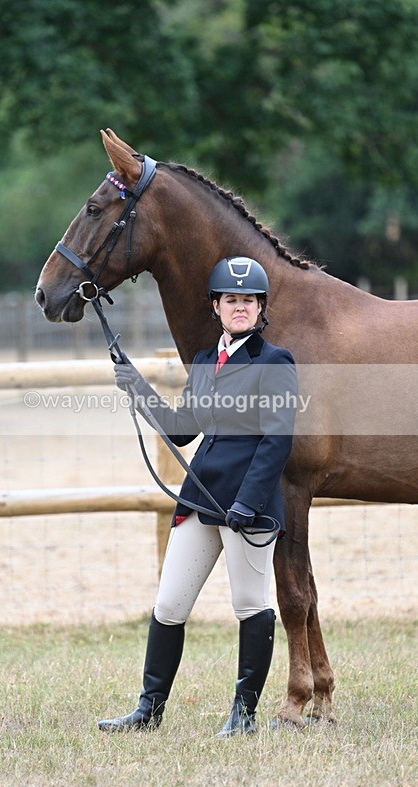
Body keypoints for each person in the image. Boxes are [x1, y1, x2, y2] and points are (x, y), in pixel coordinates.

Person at [97, 256, 297, 737]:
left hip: (247, 507)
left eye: (248, 300)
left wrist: (248, 504)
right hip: (202, 500)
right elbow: (183, 430)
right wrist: (136, 386)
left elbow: (277, 442)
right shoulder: (206, 361)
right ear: (217, 306)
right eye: (232, 299)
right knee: (169, 606)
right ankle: (148, 710)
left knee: (250, 604)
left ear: (260, 307)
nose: (240, 307)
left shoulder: (276, 362)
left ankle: (243, 715)